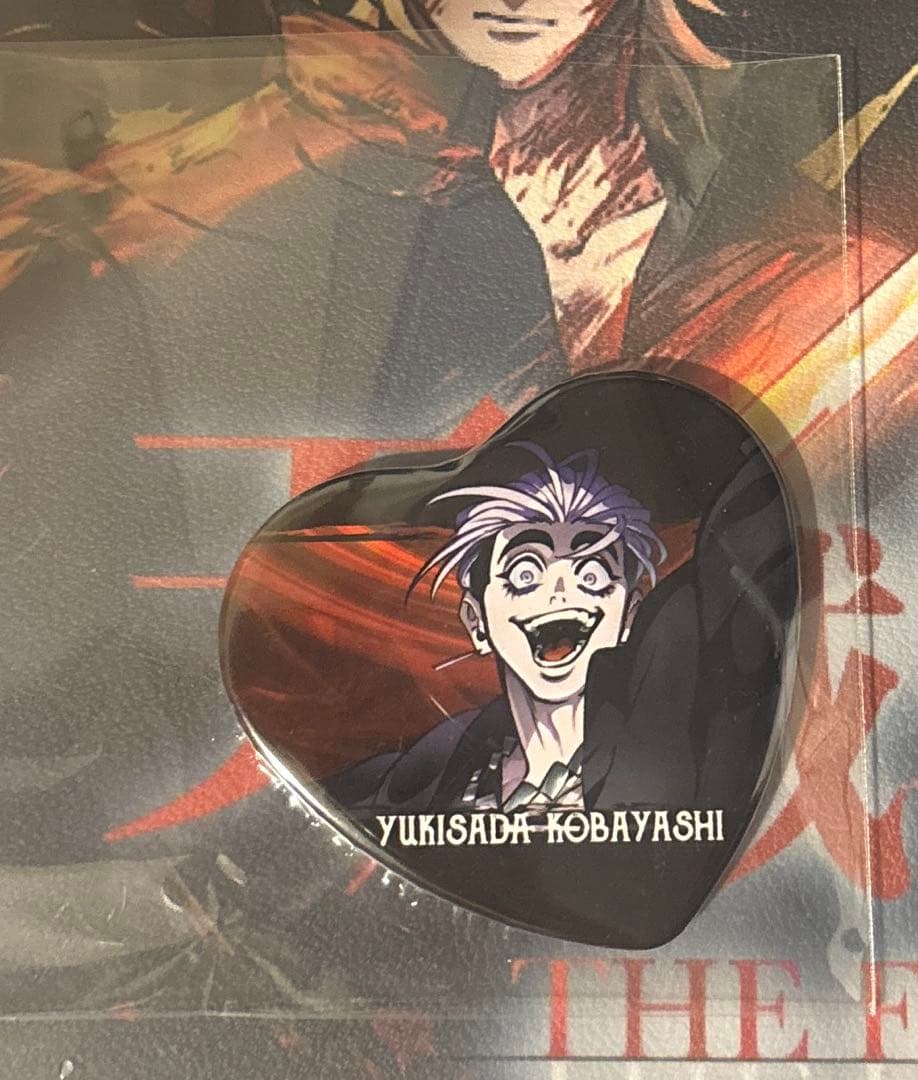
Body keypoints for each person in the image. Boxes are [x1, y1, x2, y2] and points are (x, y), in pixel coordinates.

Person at [328, 432, 794, 816]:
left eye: (592, 574)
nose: (560, 592)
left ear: (630, 615)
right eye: (524, 573)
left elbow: (743, 552)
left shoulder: (675, 750)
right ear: (477, 621)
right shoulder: (417, 782)